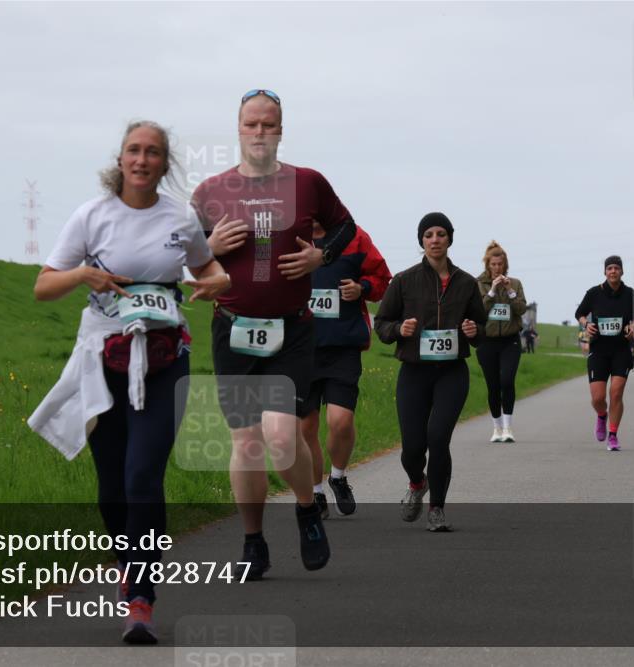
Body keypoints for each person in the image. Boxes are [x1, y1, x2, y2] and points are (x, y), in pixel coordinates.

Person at [29, 121, 230, 644]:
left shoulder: (180, 217)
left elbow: (212, 272)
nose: (142, 160)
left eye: (153, 153)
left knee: (143, 474)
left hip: (165, 359)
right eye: (134, 151)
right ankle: (129, 563)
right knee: (112, 485)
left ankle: (140, 599)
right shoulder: (91, 216)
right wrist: (83, 276)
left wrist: (213, 286)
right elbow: (43, 286)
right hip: (103, 357)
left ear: (165, 164)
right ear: (120, 160)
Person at [192, 89, 357, 580]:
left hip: (292, 330)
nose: (260, 132)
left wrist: (321, 257)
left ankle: (307, 508)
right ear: (238, 129)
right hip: (233, 329)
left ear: (281, 129)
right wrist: (209, 245)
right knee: (246, 444)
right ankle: (253, 543)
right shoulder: (211, 191)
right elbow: (180, 250)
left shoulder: (308, 183)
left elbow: (345, 228)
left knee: (283, 437)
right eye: (251, 124)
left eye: (269, 124)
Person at [374, 212, 487, 532]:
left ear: (450, 238)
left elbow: (482, 328)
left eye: (440, 234)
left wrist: (472, 330)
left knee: (438, 439)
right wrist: (400, 328)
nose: (435, 240)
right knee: (412, 447)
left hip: (452, 373)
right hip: (414, 372)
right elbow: (381, 325)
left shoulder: (466, 283)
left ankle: (437, 508)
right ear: (421, 241)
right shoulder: (404, 280)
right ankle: (416, 482)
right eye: (428, 235)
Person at [299, 221, 391, 518]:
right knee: (305, 428)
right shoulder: (288, 236)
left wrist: (361, 287)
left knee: (340, 421)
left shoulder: (354, 237)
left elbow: (381, 279)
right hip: (300, 349)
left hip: (343, 346)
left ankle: (338, 477)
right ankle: (315, 493)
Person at [574, 255, 634, 452]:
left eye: (616, 268)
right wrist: (586, 324)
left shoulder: (630, 294)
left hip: (622, 349)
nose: (613, 271)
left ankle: (613, 435)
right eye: (609, 268)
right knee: (597, 398)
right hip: (599, 350)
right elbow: (579, 313)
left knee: (616, 393)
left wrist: (632, 326)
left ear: (622, 271)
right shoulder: (594, 293)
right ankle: (602, 416)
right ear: (605, 272)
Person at [475, 241, 527, 443]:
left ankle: (508, 427)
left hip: (510, 340)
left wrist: (510, 291)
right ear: (488, 265)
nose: (497, 268)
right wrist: (492, 292)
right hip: (487, 341)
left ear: (505, 265)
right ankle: (496, 428)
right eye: (494, 264)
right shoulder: (478, 284)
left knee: (507, 381)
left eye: (501, 264)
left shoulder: (515, 283)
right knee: (493, 385)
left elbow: (521, 309)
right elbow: (478, 310)